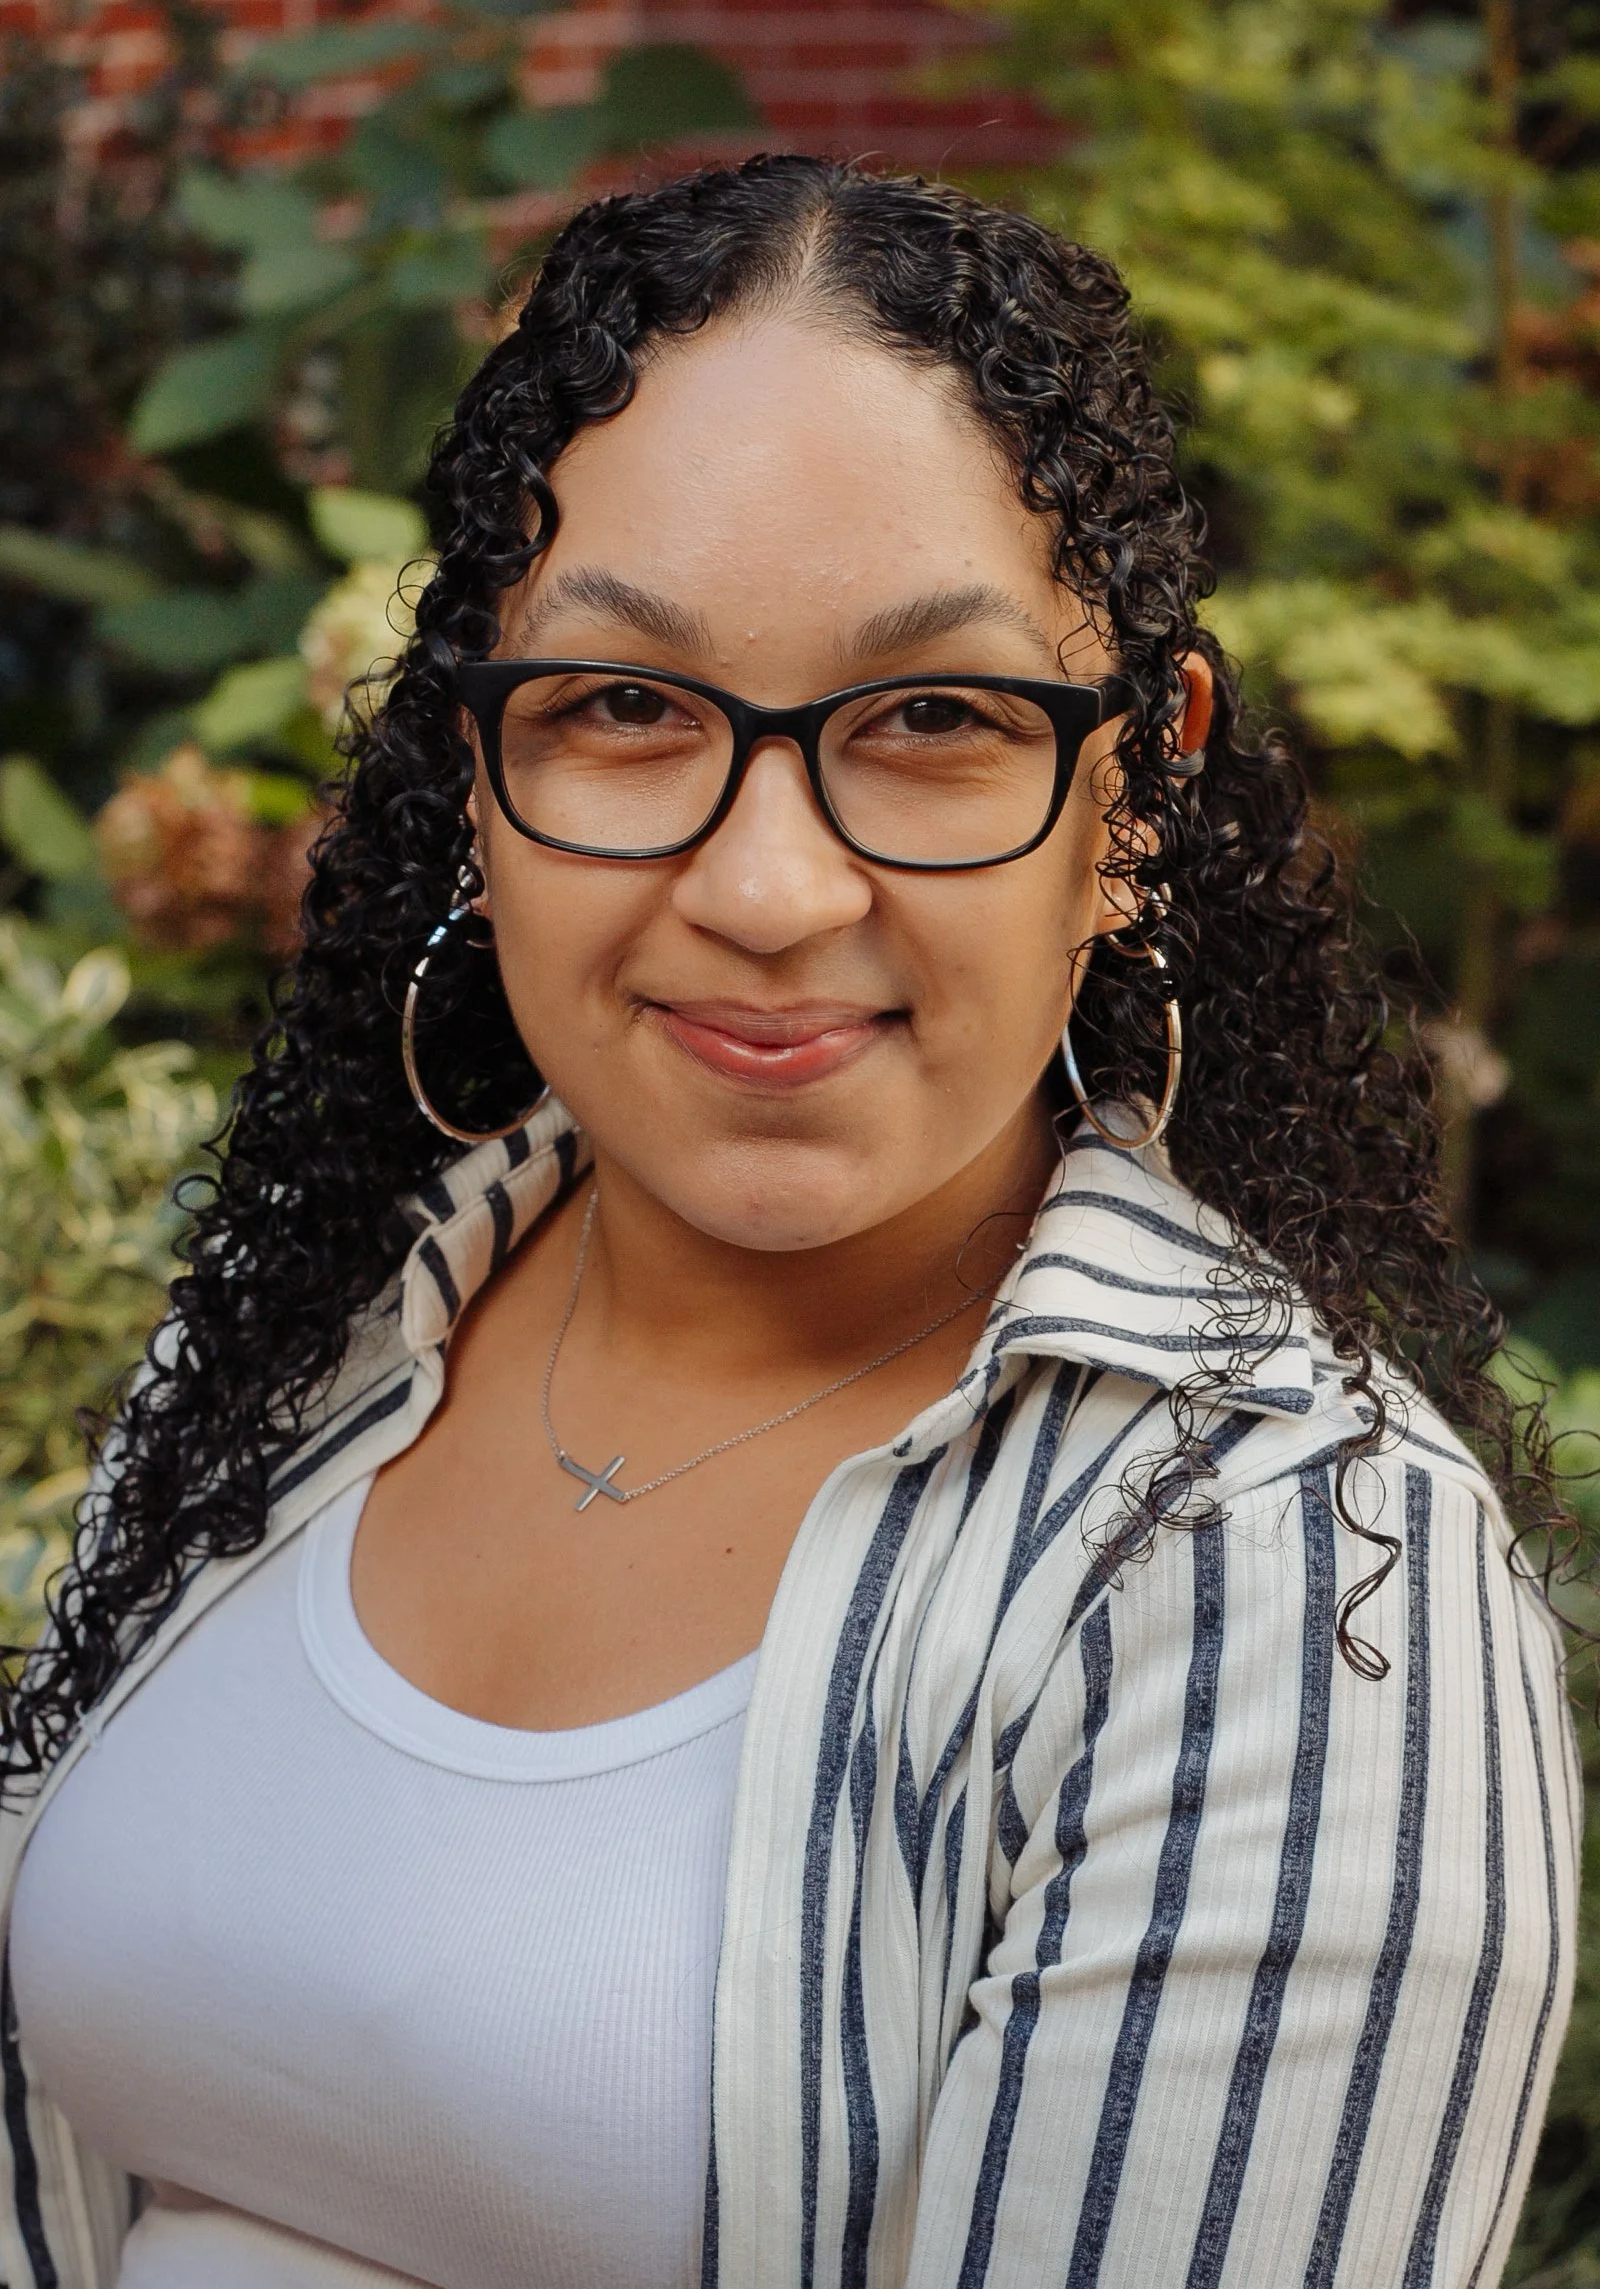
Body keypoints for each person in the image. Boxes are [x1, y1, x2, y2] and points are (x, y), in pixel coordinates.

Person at [0, 156, 1577, 2289]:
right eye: (625, 705)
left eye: (932, 719)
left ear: (1126, 796)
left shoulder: (1275, 1582)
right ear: (474, 768)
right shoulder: (308, 1334)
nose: (765, 891)